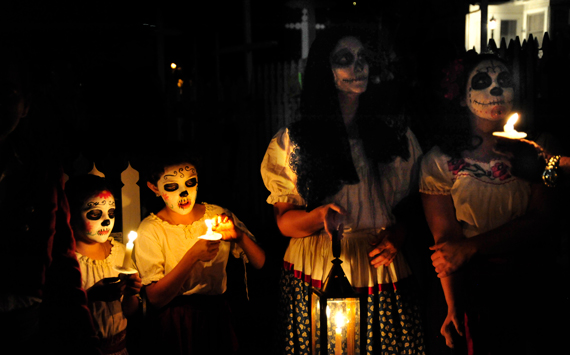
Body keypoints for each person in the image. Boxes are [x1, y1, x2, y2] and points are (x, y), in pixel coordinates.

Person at [260, 25, 426, 354]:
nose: (357, 66)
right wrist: (318, 215)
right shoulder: (294, 141)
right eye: (344, 59)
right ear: (326, 69)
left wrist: (398, 235)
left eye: (363, 58)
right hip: (318, 267)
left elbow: (411, 206)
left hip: (378, 265)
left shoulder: (395, 136)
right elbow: (284, 222)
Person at [420, 51, 559, 353]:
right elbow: (446, 241)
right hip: (475, 287)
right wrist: (453, 304)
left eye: (504, 81)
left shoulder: (539, 148)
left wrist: (472, 247)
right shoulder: (440, 161)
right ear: (459, 95)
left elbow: (543, 218)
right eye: (483, 81)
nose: (496, 90)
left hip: (532, 283)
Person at [0, 47, 100, 354]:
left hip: (24, 315)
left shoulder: (40, 169)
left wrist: (82, 329)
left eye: (7, 93)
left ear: (26, 105)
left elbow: (60, 251)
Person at [133, 152, 265, 355]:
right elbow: (156, 298)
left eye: (190, 183)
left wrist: (239, 236)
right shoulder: (151, 229)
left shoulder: (217, 215)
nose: (184, 193)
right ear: (154, 188)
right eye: (171, 186)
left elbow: (259, 262)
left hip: (216, 317)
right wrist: (193, 255)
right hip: (175, 322)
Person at [65, 174, 142, 355]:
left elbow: (129, 311)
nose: (107, 220)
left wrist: (131, 293)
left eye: (111, 213)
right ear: (71, 213)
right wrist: (91, 297)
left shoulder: (120, 252)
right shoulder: (66, 261)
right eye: (94, 214)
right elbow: (56, 319)